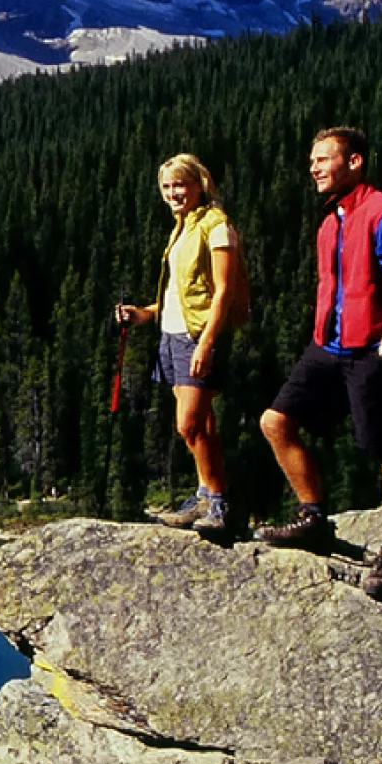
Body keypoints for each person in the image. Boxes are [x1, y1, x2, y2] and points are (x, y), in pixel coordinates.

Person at [254, 125, 382, 599]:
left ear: (355, 162)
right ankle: (314, 518)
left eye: (324, 159)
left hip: (374, 349)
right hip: (328, 348)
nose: (313, 168)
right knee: (276, 421)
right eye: (312, 160)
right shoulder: (333, 218)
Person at [113, 151, 247, 534]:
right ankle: (207, 493)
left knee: (188, 424)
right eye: (167, 187)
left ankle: (219, 504)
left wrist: (206, 344)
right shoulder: (183, 225)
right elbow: (180, 292)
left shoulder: (216, 226)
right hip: (171, 334)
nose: (173, 193)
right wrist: (145, 313)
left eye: (180, 185)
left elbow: (223, 292)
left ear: (199, 184)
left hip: (198, 335)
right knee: (201, 424)